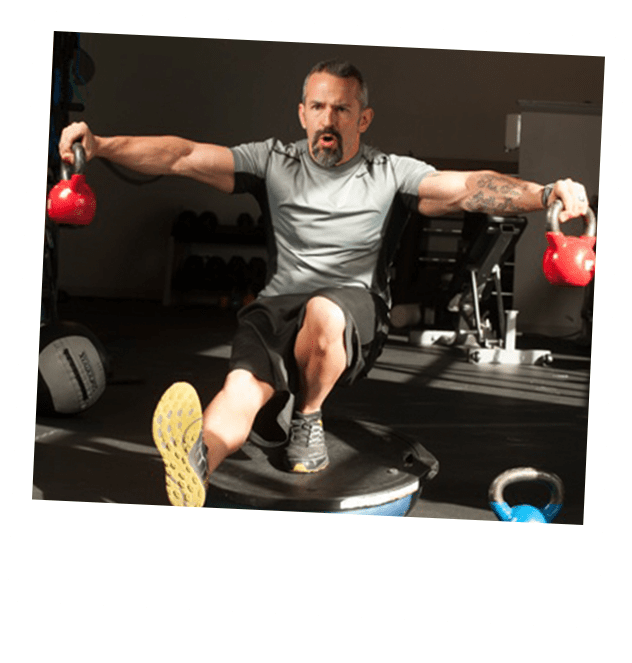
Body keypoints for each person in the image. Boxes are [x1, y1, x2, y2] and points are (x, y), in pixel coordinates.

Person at [58, 59, 590, 507]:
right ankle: (195, 465)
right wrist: (102, 143)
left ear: (364, 117)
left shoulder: (392, 173)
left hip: (351, 312)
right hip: (274, 308)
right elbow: (181, 155)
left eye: (341, 108)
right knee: (239, 391)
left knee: (324, 310)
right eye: (317, 106)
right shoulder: (271, 161)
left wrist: (544, 193)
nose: (327, 119)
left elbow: (469, 189)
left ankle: (307, 419)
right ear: (302, 113)